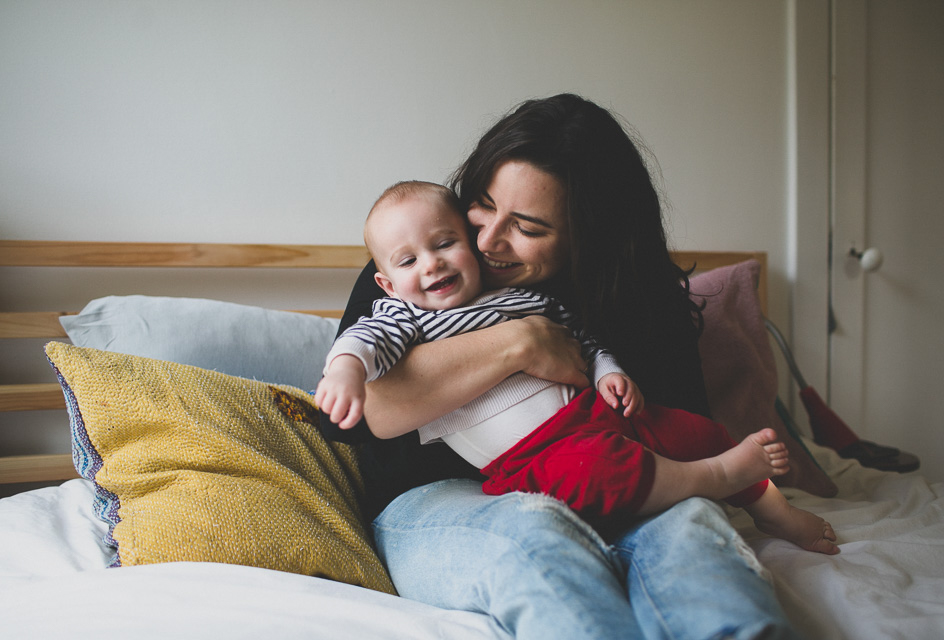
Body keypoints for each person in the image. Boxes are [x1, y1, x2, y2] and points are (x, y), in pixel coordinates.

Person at [321, 94, 820, 639]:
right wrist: (521, 342)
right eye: (484, 204)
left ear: (588, 237)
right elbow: (363, 411)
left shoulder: (638, 299)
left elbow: (679, 438)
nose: (486, 241)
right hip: (440, 498)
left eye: (528, 228)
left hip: (610, 471)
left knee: (692, 527)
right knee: (536, 533)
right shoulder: (411, 259)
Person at [316, 180, 837, 551]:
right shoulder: (403, 314)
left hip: (597, 412)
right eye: (408, 261)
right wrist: (344, 372)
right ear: (387, 281)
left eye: (445, 243)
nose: (430, 264)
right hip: (532, 457)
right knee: (600, 475)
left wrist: (609, 370)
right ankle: (716, 477)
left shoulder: (521, 295)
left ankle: (773, 510)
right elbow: (365, 344)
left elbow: (581, 340)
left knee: (695, 430)